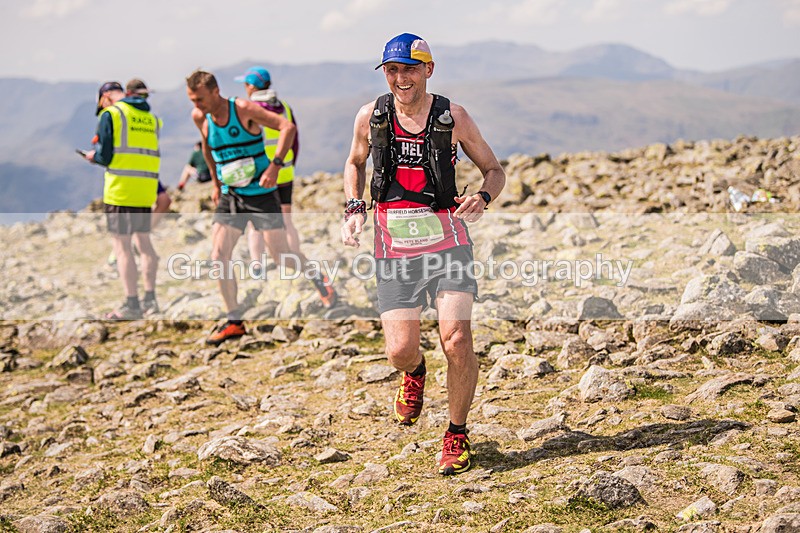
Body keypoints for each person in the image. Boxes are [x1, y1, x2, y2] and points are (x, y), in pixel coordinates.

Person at [341, 33, 505, 475]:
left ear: (428, 70)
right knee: (399, 351)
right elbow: (355, 163)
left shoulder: (453, 117)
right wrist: (355, 206)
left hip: (449, 244)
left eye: (410, 69)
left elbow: (494, 169)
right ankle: (414, 372)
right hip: (394, 248)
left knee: (456, 338)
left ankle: (456, 433)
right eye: (392, 70)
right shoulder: (371, 116)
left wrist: (483, 198)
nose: (401, 78)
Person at [186, 70, 337, 346]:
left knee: (281, 257)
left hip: (261, 194)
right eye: (192, 100)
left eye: (199, 99)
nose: (196, 106)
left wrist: (275, 165)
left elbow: (287, 128)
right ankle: (234, 321)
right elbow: (207, 147)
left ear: (215, 91)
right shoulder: (200, 117)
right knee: (219, 254)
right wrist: (215, 180)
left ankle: (318, 277)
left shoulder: (242, 109)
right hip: (231, 194)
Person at [84, 79, 163, 319]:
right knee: (145, 244)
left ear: (105, 97)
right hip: (146, 188)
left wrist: (93, 156)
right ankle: (151, 299)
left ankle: (131, 304)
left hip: (120, 189)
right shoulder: (152, 119)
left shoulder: (112, 114)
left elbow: (106, 155)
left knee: (122, 247)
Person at [234, 66, 302, 278]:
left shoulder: (249, 109)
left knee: (256, 222)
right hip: (284, 170)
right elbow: (294, 140)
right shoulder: (284, 107)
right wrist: (288, 165)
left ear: (252, 86)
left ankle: (257, 265)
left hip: (261, 174)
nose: (245, 89)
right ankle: (295, 257)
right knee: (286, 219)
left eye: (246, 84)